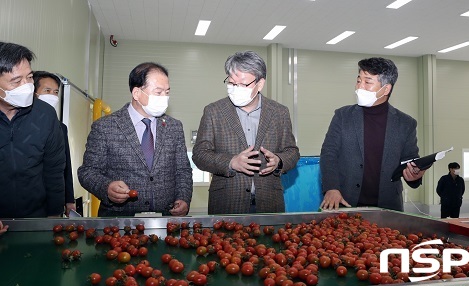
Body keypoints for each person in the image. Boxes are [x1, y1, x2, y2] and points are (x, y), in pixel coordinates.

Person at [78, 62, 192, 217]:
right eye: (158, 93)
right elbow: (88, 172)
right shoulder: (105, 126)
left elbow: (183, 170)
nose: (164, 98)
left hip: (167, 220)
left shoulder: (174, 127)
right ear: (137, 93)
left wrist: (183, 198)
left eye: (167, 92)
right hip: (119, 222)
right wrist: (106, 187)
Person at [192, 50, 300, 214]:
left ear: (260, 83)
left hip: (270, 203)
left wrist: (279, 160)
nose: (236, 89)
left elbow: (292, 152)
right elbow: (199, 155)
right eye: (231, 83)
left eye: (243, 84)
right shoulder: (213, 111)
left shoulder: (279, 112)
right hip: (227, 202)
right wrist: (231, 162)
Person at [320, 57, 426, 212]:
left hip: (388, 207)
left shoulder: (406, 124)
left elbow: (410, 161)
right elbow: (328, 154)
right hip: (345, 202)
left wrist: (415, 175)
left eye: (367, 82)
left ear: (386, 89)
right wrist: (331, 187)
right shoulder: (343, 116)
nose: (359, 87)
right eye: (358, 80)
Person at [0, 42, 65, 218]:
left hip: (35, 216)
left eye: (29, 77)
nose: (26, 86)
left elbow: (54, 169)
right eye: (16, 81)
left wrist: (54, 214)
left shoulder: (45, 114)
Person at [33, 71, 76, 216]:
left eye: (55, 92)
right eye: (47, 91)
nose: (52, 96)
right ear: (34, 93)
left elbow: (66, 165)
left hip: (53, 201)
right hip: (28, 201)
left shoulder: (60, 127)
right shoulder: (20, 125)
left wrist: (69, 199)